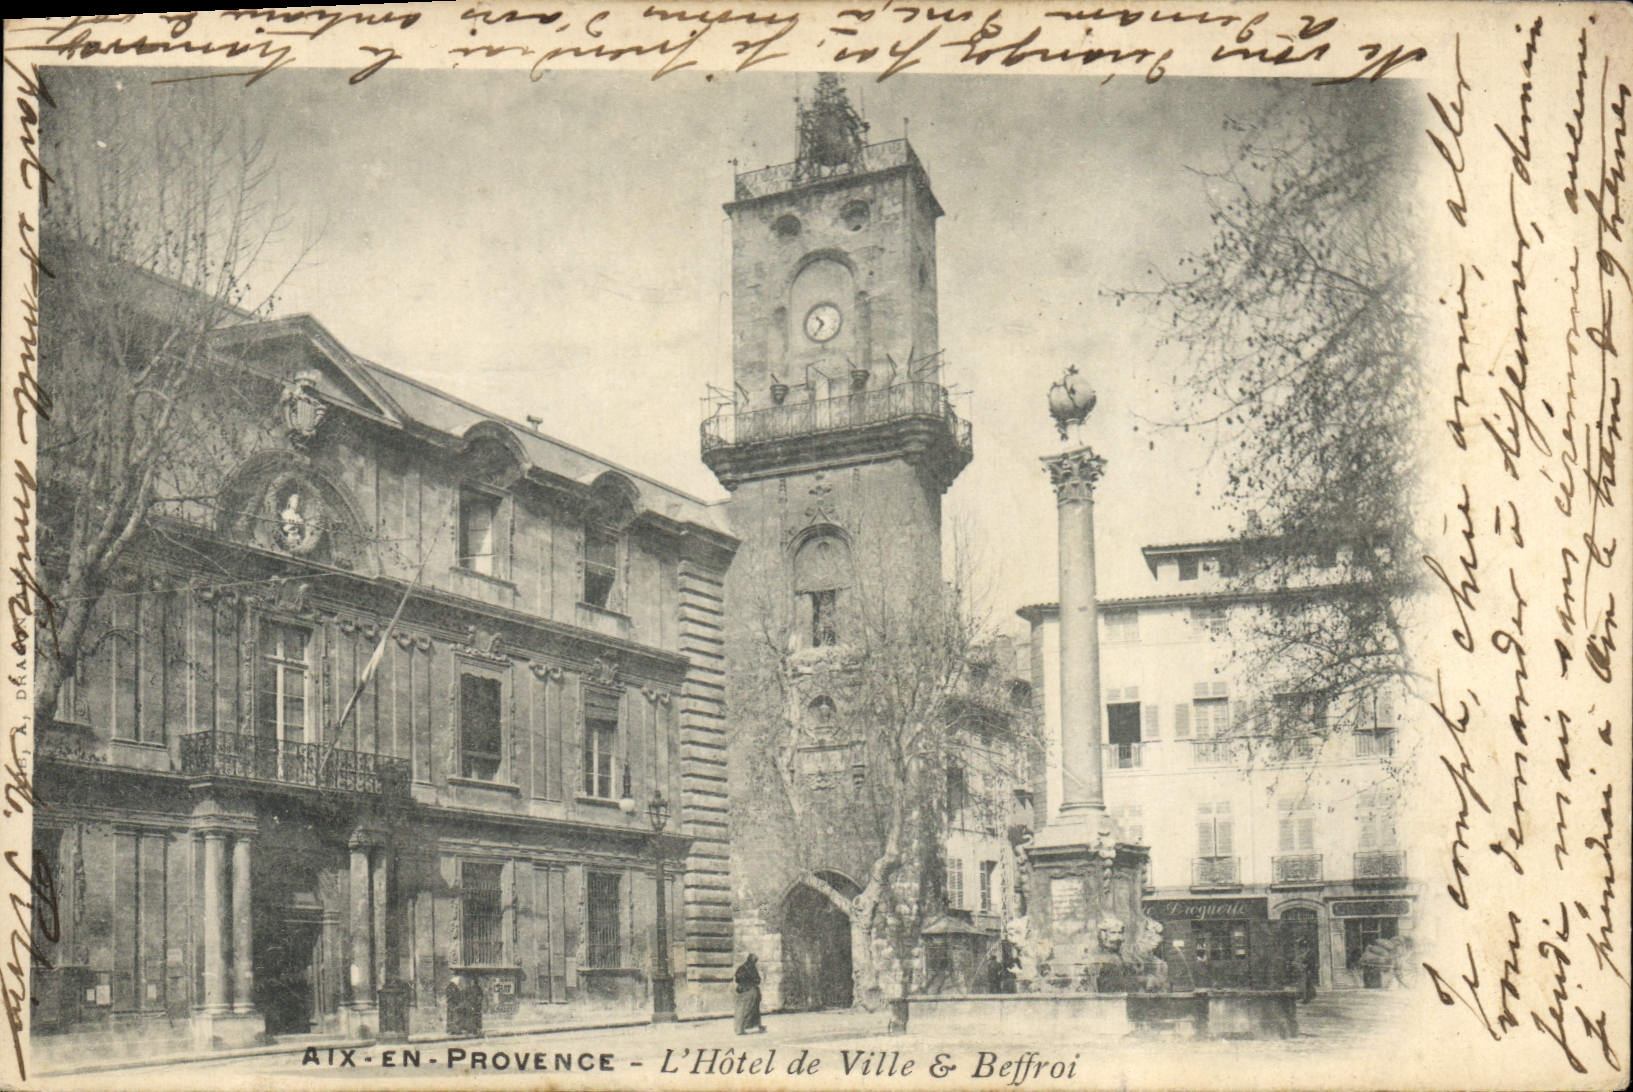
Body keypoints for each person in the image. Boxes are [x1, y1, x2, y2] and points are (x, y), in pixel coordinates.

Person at [734, 954, 764, 1034]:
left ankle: (743, 1027)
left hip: (741, 990)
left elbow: (737, 978)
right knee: (748, 1009)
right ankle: (741, 1028)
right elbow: (757, 979)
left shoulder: (741, 968)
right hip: (750, 990)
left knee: (742, 1009)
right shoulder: (752, 968)